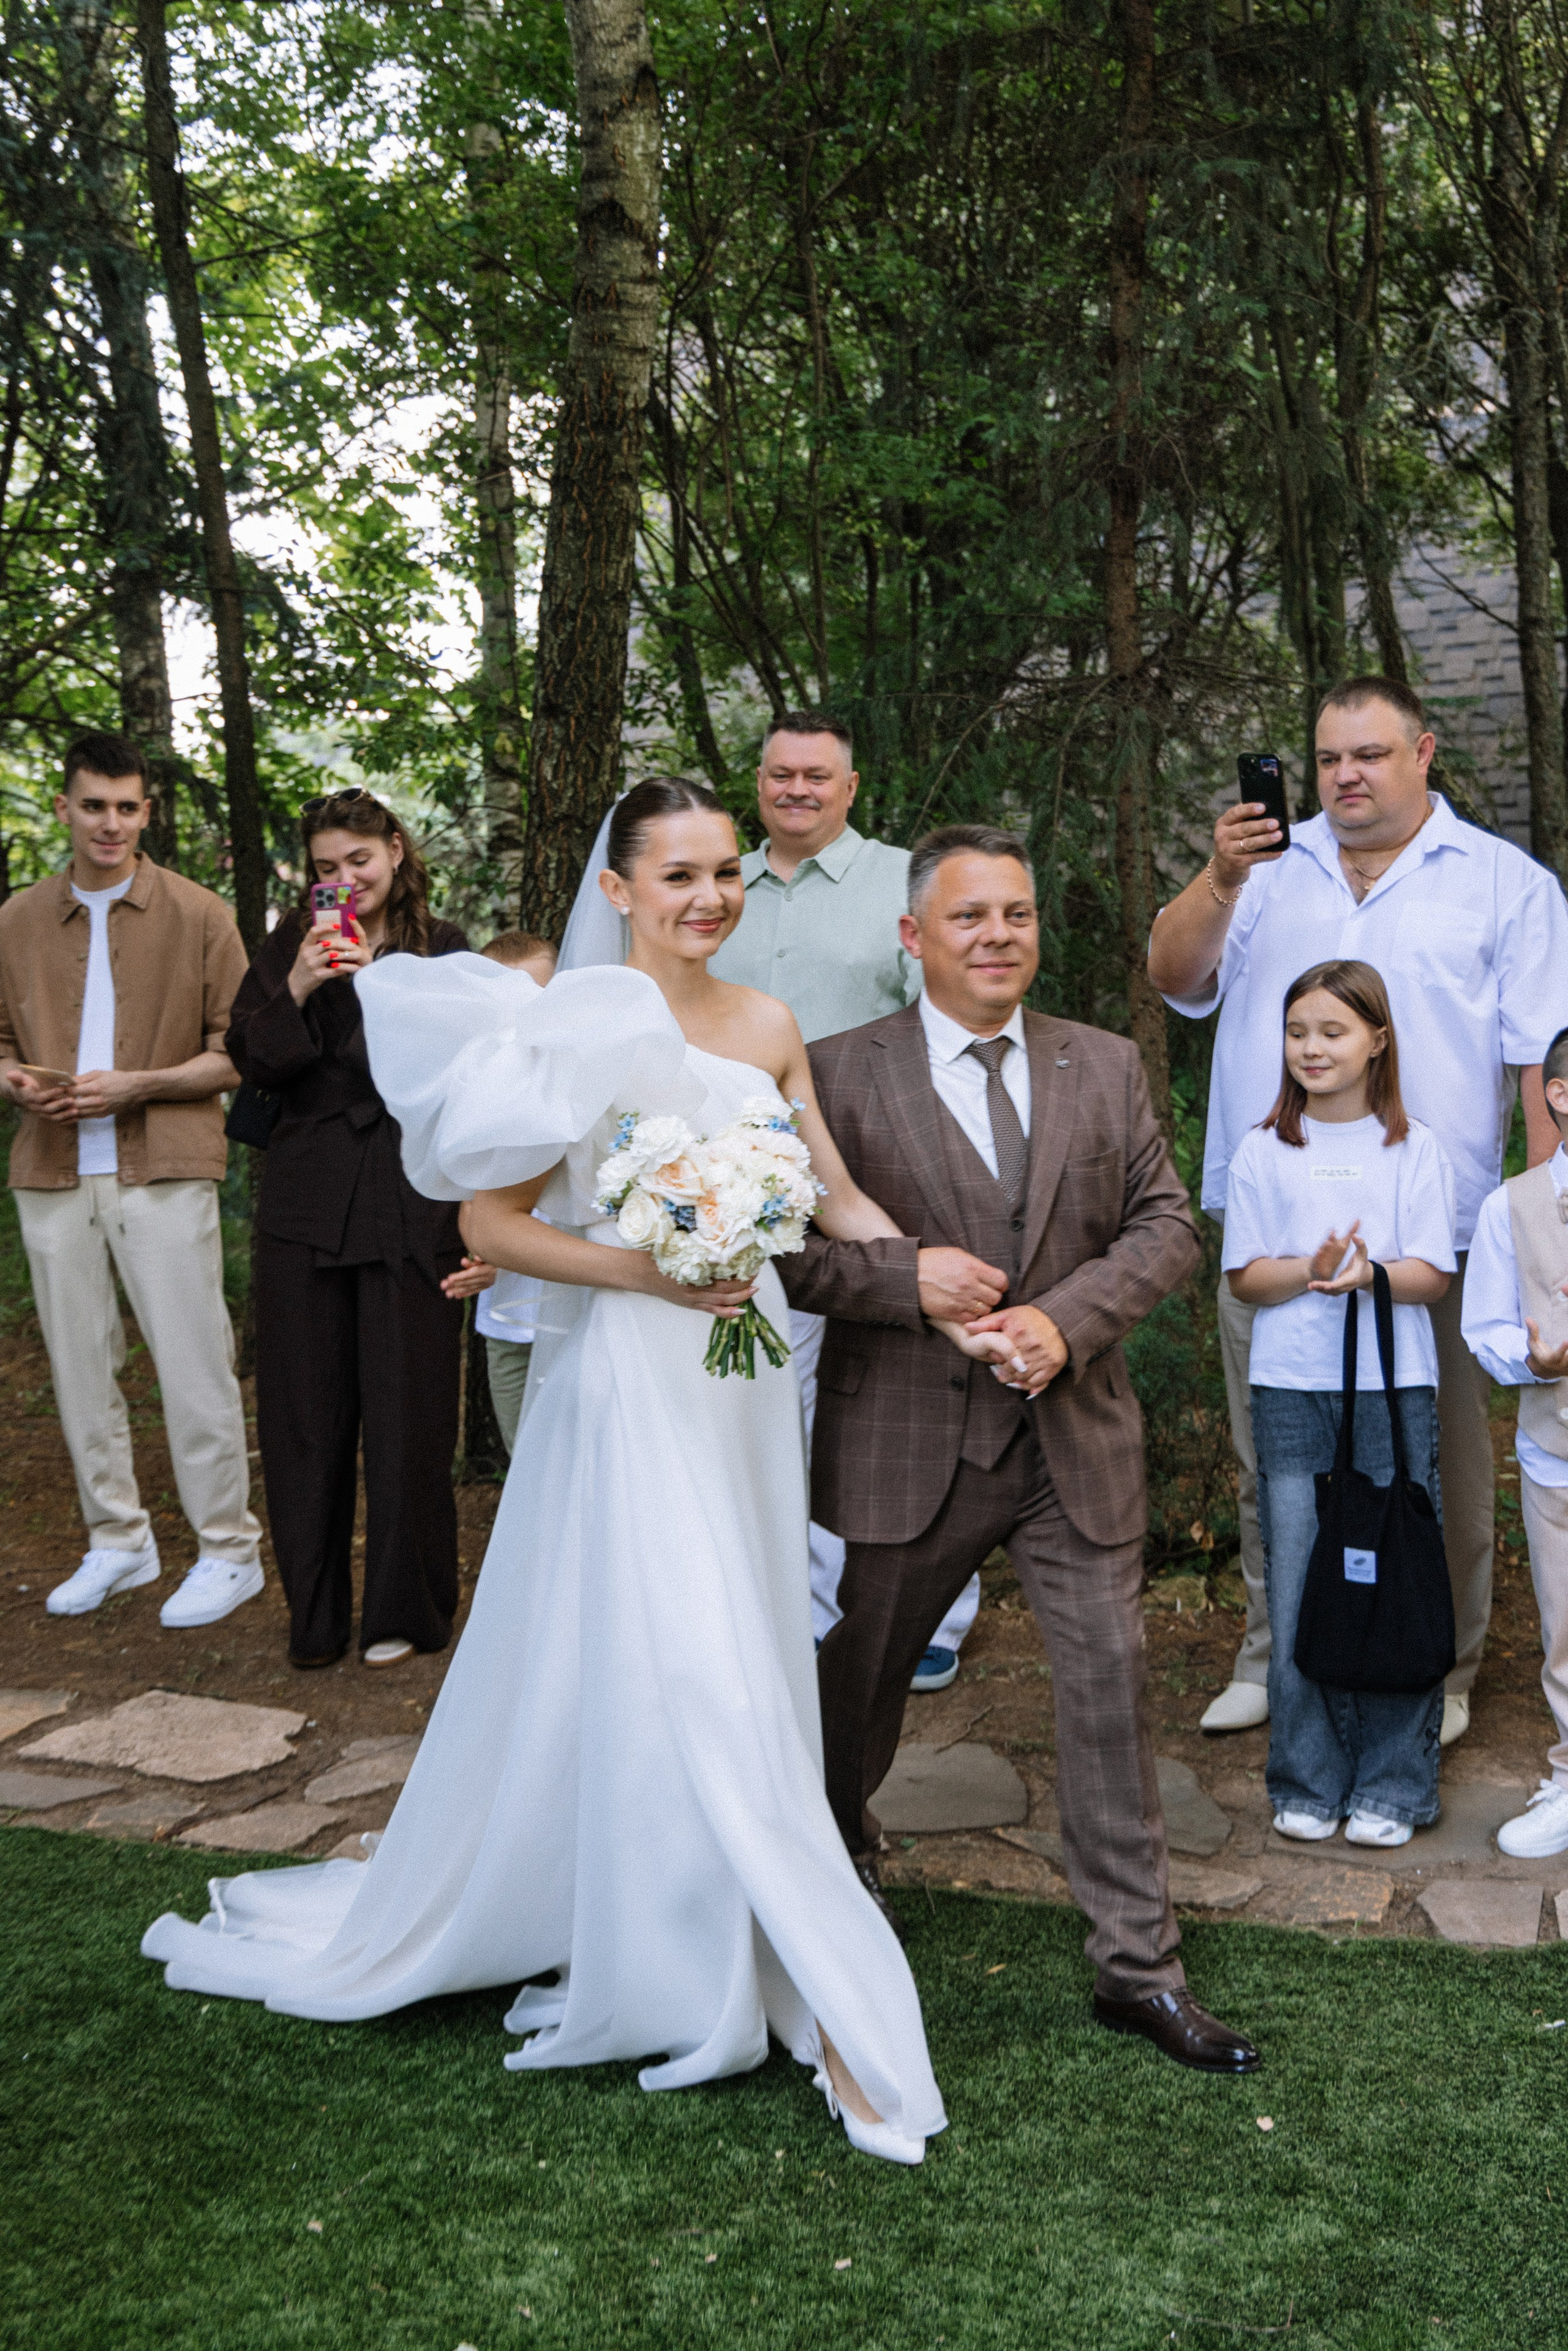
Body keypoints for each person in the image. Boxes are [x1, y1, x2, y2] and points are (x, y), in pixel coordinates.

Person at [144, 777, 962, 2164]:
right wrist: (646, 1270)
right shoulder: (579, 1019)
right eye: (679, 875)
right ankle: (751, 1960)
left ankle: (681, 1897)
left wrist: (931, 1279)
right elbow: (489, 1219)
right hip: (630, 1378)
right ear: (618, 889)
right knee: (688, 1655)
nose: (709, 897)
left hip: (742, 1376)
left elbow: (828, 1191)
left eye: (725, 873)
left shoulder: (769, 1025)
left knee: (731, 1637)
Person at [784, 823, 1260, 2073]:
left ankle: (1138, 1970)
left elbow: (1165, 1225)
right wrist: (906, 1278)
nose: (999, 935)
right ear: (912, 935)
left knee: (1109, 1690)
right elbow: (788, 1254)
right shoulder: (832, 1072)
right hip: (904, 1446)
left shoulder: (1101, 1061)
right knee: (855, 1690)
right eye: (969, 915)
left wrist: (1065, 1321)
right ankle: (829, 1880)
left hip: (1071, 1442)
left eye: (1017, 913)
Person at [1148, 676, 1568, 1745]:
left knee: (1439, 1462)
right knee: (1276, 1453)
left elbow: (1542, 1069)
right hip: (1275, 1223)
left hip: (1435, 1231)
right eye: (1330, 757)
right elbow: (1173, 976)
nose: (1345, 776)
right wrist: (1221, 877)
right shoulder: (1263, 869)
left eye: (1370, 754)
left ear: (1422, 753)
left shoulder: (1504, 884)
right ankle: (1274, 1653)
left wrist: (1546, 1234)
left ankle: (1443, 1660)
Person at [710, 708, 981, 1690]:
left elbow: (952, 1015)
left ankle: (935, 1616)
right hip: (737, 1196)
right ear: (758, 781)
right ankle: (809, 1611)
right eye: (780, 773)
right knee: (773, 1401)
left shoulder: (905, 884)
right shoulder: (717, 887)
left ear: (852, 786)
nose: (797, 790)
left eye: (817, 775)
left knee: (903, 1401)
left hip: (877, 1180)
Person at [0, 731, 263, 1627]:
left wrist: (139, 1085)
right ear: (65, 808)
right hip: (51, 1170)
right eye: (93, 806)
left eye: (126, 807)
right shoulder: (16, 920)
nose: (110, 823)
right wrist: (14, 1080)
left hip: (165, 1169)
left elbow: (239, 1053)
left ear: (146, 812)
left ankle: (229, 1549)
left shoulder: (200, 913)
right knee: (80, 1368)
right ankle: (118, 1540)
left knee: (195, 1367)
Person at [224, 786, 480, 1671]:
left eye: (359, 860)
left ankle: (406, 1610)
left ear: (395, 851)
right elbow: (251, 1058)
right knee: (303, 1417)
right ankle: (316, 1616)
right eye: (326, 867)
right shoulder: (288, 944)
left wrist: (378, 981)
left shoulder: (444, 947)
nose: (345, 879)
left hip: (413, 1200)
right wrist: (299, 983)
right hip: (306, 1201)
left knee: (411, 1415)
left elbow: (462, 1073)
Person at [1224, 961, 1454, 1847]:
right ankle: (1308, 1777)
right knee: (1298, 1579)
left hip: (1393, 1390)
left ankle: (1395, 1785)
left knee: (1395, 1571)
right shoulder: (1262, 1148)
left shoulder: (1414, 1147)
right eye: (1297, 1032)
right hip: (1291, 1387)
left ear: (1377, 1040)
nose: (1311, 1048)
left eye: (1332, 1031)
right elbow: (1245, 1276)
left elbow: (1431, 1274)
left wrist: (1369, 1275)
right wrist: (1310, 1270)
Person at [1461, 1022, 1568, 1859]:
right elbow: (1486, 1328)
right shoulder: (1512, 1206)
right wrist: (1533, 1360)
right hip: (1557, 1454)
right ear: (1560, 1095)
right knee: (1566, 1630)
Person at [470, 930, 559, 1452]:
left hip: (573, 1319)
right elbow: (471, 1200)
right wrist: (482, 1253)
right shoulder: (479, 1092)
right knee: (521, 1456)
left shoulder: (580, 1082)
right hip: (508, 1322)